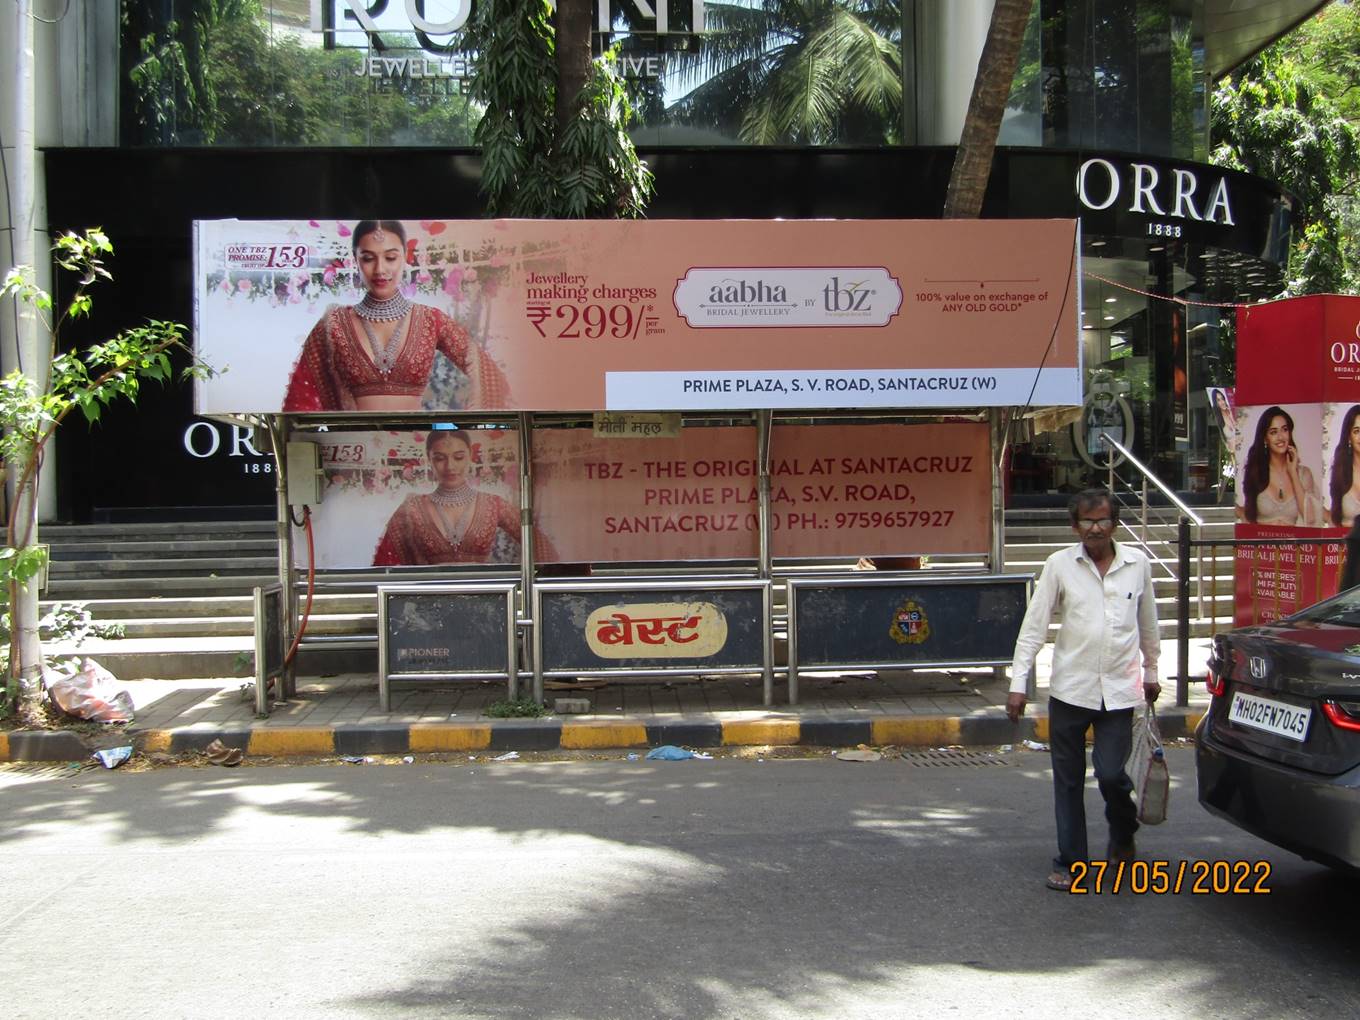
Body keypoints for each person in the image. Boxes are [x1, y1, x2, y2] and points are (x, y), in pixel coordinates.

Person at [1007, 488, 1161, 892]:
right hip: (1071, 690)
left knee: (1111, 775)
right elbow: (1034, 626)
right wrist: (1018, 683)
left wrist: (1153, 670)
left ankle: (1123, 832)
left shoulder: (1137, 564)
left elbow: (1148, 624)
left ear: (1115, 523)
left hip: (1120, 690)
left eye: (1104, 521)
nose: (1096, 529)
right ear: (1074, 526)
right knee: (1069, 780)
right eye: (1088, 522)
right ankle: (1071, 862)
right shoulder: (1059, 565)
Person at [282, 220, 510, 412]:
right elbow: (299, 402)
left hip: (416, 447)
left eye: (390, 258)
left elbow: (489, 376)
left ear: (405, 257)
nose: (380, 269)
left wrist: (472, 429)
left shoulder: (430, 319)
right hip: (351, 447)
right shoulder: (333, 325)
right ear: (355, 259)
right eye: (368, 258)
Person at [372, 429, 521, 566]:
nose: (450, 466)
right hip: (430, 592)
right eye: (440, 458)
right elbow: (382, 566)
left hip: (483, 592)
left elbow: (536, 540)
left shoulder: (493, 504)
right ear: (429, 459)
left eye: (458, 457)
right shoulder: (412, 508)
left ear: (470, 456)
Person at [1239, 406, 1324, 526]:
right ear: (1265, 439)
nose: (1280, 437)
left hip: (1293, 544)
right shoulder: (1255, 471)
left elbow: (1310, 518)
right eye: (1273, 432)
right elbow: (1248, 515)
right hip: (1262, 542)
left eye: (1284, 430)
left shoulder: (1304, 474)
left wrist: (1293, 473)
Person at [1328, 404, 1360, 527]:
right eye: (1357, 431)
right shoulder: (1340, 472)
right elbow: (1334, 517)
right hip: (1345, 544)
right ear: (1349, 437)